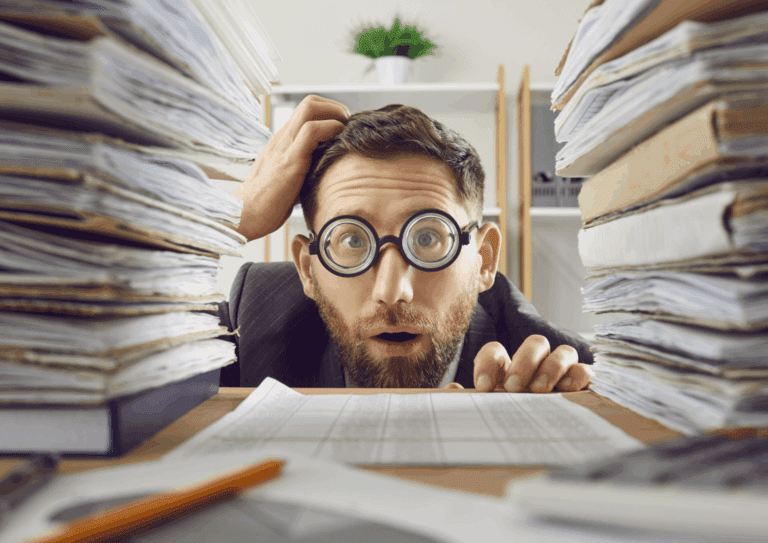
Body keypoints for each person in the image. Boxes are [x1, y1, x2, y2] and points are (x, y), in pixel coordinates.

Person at [218, 95, 592, 392]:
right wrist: (226, 221)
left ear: (484, 259)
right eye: (351, 239)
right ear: (307, 270)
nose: (393, 292)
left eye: (427, 238)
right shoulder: (255, 315)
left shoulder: (555, 371)